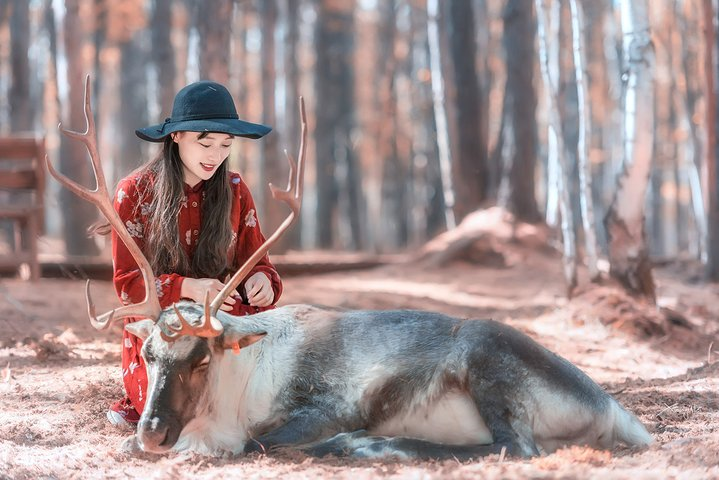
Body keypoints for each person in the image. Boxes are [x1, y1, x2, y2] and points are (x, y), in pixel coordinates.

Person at [106, 80, 282, 427]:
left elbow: (256, 261)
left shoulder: (235, 190)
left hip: (220, 323)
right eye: (205, 143)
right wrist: (186, 287)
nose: (215, 155)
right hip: (163, 328)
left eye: (225, 144)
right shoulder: (134, 193)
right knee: (180, 396)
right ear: (176, 136)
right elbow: (127, 286)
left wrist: (263, 280)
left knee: (272, 357)